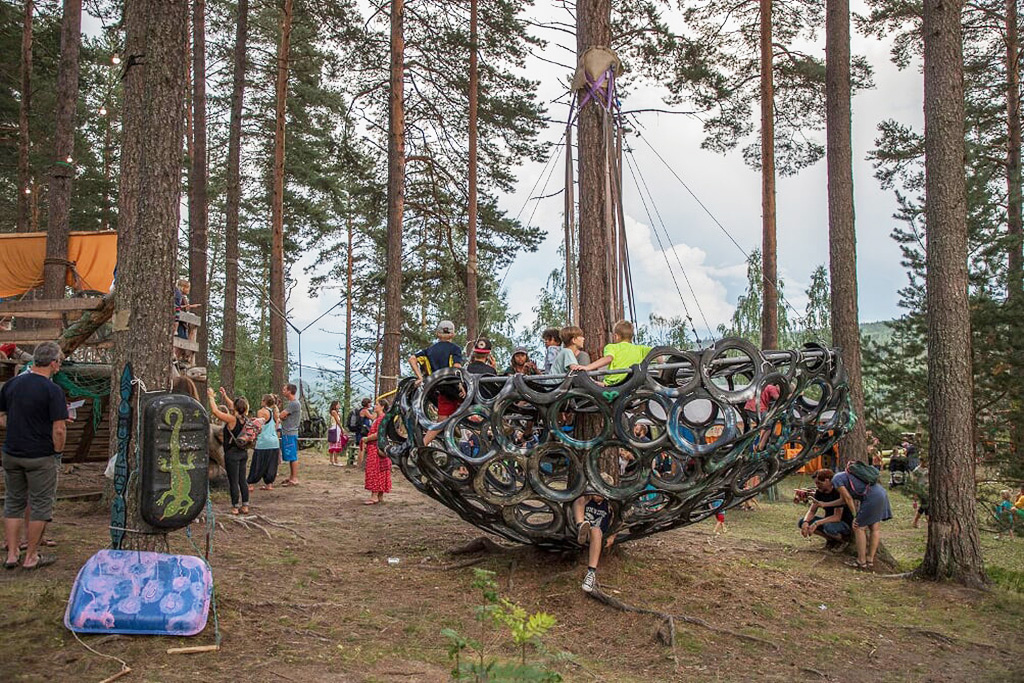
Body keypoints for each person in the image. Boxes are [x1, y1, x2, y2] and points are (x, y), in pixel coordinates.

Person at [1, 342, 68, 570]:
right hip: (40, 455)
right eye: (59, 361)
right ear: (53, 363)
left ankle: (11, 554)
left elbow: (2, 418)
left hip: (12, 452)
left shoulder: (12, 384)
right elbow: (59, 429)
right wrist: (57, 451)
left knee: (13, 502)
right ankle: (31, 556)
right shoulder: (53, 391)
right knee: (40, 505)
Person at [408, 320, 464, 446]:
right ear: (452, 334)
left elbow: (412, 359)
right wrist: (461, 385)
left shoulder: (430, 350)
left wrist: (419, 377)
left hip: (438, 387)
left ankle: (421, 446)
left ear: (437, 334)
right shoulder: (455, 349)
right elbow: (456, 367)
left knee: (441, 420)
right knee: (472, 407)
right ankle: (453, 424)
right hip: (453, 386)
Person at [832, 463, 892, 571]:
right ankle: (870, 560)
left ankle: (861, 561)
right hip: (881, 493)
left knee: (858, 527)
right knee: (875, 528)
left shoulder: (836, 480)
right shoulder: (846, 476)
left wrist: (855, 515)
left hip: (871, 497)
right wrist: (823, 504)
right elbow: (843, 500)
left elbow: (848, 499)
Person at [208, 387, 253, 514]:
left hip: (232, 454)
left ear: (236, 408)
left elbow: (216, 412)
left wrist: (211, 396)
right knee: (242, 480)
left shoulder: (232, 420)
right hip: (243, 453)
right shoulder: (246, 419)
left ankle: (235, 506)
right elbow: (235, 406)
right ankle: (245, 505)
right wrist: (225, 395)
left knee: (233, 480)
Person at [573, 472, 617, 593]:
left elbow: (617, 520)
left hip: (597, 535)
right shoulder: (586, 498)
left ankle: (591, 573)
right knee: (579, 500)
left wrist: (612, 536)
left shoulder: (609, 504)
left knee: (596, 531)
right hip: (583, 529)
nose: (598, 495)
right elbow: (578, 504)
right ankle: (580, 526)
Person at [570, 320, 651, 385]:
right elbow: (659, 356)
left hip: (614, 385)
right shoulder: (641, 349)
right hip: (632, 384)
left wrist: (587, 367)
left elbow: (608, 358)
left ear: (616, 336)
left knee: (598, 377)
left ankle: (604, 384)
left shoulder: (611, 347)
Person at [798, 468, 853, 550]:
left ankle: (843, 541)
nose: (817, 485)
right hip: (828, 521)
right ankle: (831, 540)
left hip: (842, 523)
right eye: (816, 483)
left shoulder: (837, 492)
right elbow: (812, 510)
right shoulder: (819, 492)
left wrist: (817, 523)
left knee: (828, 527)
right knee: (801, 522)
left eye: (819, 483)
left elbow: (837, 517)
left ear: (828, 481)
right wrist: (806, 522)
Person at [360, 399, 392, 505]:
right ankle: (380, 495)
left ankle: (374, 496)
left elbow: (379, 434)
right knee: (381, 470)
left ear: (382, 407)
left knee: (375, 470)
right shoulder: (380, 418)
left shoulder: (382, 418)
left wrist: (366, 439)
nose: (375, 406)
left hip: (376, 447)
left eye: (377, 404)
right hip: (378, 447)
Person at [247, 394, 280, 490]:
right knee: (271, 464)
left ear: (265, 401)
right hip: (274, 442)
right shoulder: (275, 412)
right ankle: (269, 483)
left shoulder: (261, 412)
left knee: (257, 463)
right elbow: (276, 426)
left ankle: (251, 484)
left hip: (263, 441)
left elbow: (259, 426)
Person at [279, 383, 301, 486]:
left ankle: (295, 478)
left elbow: (282, 415)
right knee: (290, 456)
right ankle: (291, 476)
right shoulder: (291, 403)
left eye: (284, 389)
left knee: (293, 456)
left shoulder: (294, 404)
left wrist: (282, 415)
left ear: (289, 391)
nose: (283, 391)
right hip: (288, 432)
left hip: (290, 432)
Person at [909, 459, 929, 529]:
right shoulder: (917, 470)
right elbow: (915, 483)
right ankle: (928, 521)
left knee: (923, 507)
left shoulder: (929, 469)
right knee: (926, 506)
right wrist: (915, 495)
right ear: (921, 461)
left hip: (928, 490)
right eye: (925, 461)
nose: (926, 463)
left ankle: (915, 522)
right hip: (921, 491)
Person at [327, 400, 347, 466]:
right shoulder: (334, 412)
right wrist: (342, 429)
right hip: (336, 428)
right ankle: (335, 461)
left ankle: (331, 460)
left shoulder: (334, 412)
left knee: (332, 445)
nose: (339, 406)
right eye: (338, 404)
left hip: (333, 428)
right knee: (336, 444)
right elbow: (338, 421)